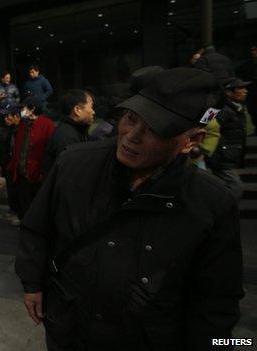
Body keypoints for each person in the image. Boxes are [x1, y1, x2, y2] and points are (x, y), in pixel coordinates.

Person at [16, 67, 243, 350]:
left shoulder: (211, 203)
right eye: (131, 118)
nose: (131, 136)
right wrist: (32, 283)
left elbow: (217, 303)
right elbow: (37, 228)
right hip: (70, 329)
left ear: (191, 141)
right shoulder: (73, 164)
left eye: (155, 129)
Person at [7, 96, 56, 219]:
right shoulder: (23, 124)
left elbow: (50, 152)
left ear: (33, 109)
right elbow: (18, 148)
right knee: (24, 207)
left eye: (24, 108)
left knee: (38, 209)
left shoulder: (47, 124)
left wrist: (44, 172)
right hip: (22, 174)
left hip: (38, 175)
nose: (22, 111)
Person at [206, 77, 251, 201]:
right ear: (228, 92)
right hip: (220, 156)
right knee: (235, 187)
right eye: (240, 88)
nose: (245, 91)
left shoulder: (238, 108)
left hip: (228, 155)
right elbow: (204, 125)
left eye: (245, 88)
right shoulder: (217, 108)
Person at [43, 89, 95, 173]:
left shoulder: (76, 130)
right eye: (91, 107)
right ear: (77, 110)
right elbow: (71, 174)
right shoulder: (67, 138)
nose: (93, 112)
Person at [238, 45, 257, 135]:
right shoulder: (247, 64)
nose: (254, 52)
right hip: (251, 90)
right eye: (252, 50)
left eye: (255, 50)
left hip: (252, 89)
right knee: (252, 110)